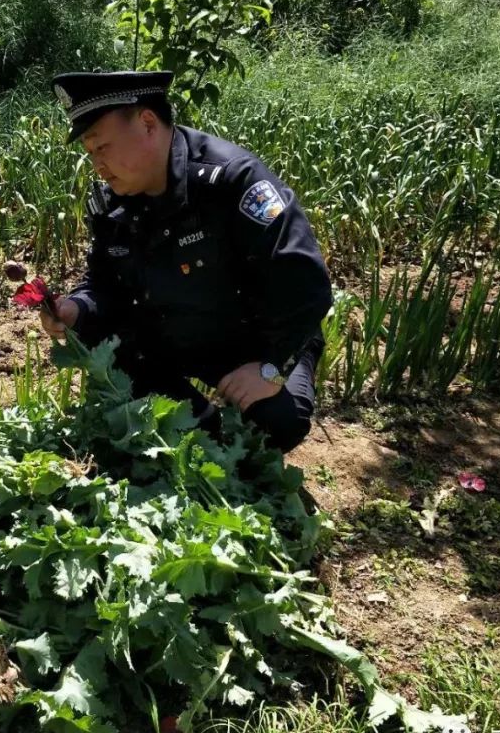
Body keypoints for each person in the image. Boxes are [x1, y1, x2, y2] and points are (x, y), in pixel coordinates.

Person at [41, 70, 332, 454]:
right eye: (89, 153)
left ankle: (245, 405)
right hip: (172, 330)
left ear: (147, 123)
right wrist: (74, 309)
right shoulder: (112, 201)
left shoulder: (231, 181)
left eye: (102, 147)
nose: (96, 163)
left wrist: (271, 367)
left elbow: (307, 287)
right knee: (103, 345)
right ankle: (204, 428)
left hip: (250, 336)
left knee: (277, 425)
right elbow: (102, 284)